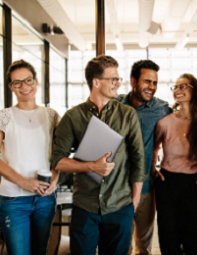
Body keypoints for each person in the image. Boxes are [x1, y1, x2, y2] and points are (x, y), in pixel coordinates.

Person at [50, 55, 147, 255]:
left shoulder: (128, 114)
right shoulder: (73, 116)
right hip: (85, 206)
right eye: (113, 79)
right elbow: (57, 160)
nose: (118, 84)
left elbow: (139, 160)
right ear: (96, 82)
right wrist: (91, 166)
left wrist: (134, 202)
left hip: (120, 206)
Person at [0, 60, 60, 255]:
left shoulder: (51, 115)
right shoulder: (4, 116)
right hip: (13, 200)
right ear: (10, 87)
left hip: (45, 199)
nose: (24, 86)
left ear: (36, 81)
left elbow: (60, 154)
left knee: (40, 251)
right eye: (17, 82)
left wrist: (55, 178)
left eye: (28, 80)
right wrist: (23, 182)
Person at [152, 73, 197, 255]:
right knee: (169, 238)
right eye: (175, 87)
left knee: (194, 239)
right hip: (167, 182)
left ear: (195, 90)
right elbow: (154, 147)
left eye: (183, 86)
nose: (178, 90)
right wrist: (154, 168)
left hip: (193, 183)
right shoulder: (165, 122)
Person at [117, 60, 171, 255]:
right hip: (117, 189)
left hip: (147, 188)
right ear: (133, 81)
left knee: (144, 247)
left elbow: (184, 121)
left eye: (155, 83)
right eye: (147, 81)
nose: (152, 87)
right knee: (121, 246)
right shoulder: (114, 105)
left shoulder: (162, 109)